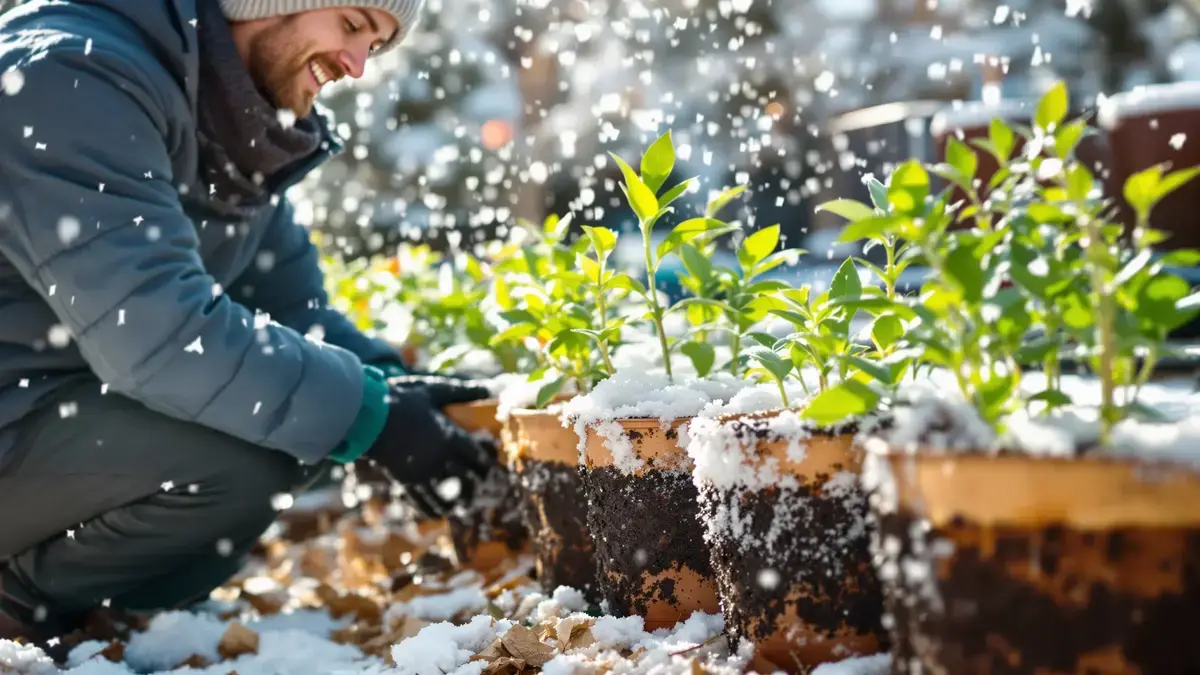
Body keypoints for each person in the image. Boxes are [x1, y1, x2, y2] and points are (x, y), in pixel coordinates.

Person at [0, 0, 496, 649]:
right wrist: (367, 414)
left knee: (297, 419)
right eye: (351, 26)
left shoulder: (227, 132)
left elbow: (296, 313)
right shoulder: (72, 78)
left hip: (30, 416)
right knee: (256, 451)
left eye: (375, 48)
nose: (356, 67)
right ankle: (21, 607)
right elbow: (154, 333)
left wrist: (403, 391)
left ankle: (119, 615)